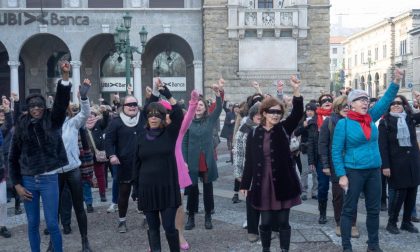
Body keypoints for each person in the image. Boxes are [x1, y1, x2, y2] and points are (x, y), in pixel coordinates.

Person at [332, 69, 402, 252]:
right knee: (349, 210)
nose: (365, 102)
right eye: (360, 99)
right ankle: (346, 247)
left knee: (373, 210)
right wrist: (341, 175)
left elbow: (386, 100)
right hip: (353, 171)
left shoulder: (370, 118)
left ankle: (373, 245)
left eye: (366, 99)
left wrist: (395, 81)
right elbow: (336, 151)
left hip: (373, 171)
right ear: (351, 104)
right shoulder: (343, 123)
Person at [9, 61, 72, 252]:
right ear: (28, 108)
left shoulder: (52, 120)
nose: (36, 109)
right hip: (27, 180)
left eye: (40, 105)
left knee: (52, 224)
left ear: (44, 107)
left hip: (49, 178)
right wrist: (17, 185)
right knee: (33, 223)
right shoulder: (21, 125)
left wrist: (65, 77)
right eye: (32, 106)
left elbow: (61, 103)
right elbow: (13, 158)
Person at [240, 75, 303, 252]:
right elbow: (250, 161)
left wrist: (296, 89)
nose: (276, 115)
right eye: (272, 112)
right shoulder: (253, 134)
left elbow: (297, 113)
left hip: (284, 181)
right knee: (266, 222)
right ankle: (266, 249)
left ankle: (284, 249)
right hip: (263, 183)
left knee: (283, 221)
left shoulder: (284, 128)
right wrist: (245, 184)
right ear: (264, 113)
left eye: (279, 112)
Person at [133, 84, 183, 252]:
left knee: (169, 227)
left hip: (167, 188)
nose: (153, 118)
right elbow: (136, 164)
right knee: (153, 228)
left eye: (157, 115)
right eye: (150, 115)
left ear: (162, 118)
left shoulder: (170, 133)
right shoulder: (141, 136)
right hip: (147, 189)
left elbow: (178, 114)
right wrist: (136, 188)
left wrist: (167, 94)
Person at [183, 82, 223, 230]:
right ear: (192, 106)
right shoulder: (187, 122)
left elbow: (219, 108)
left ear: (205, 108)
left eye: (201, 105)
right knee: (192, 190)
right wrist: (184, 161)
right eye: (196, 104)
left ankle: (208, 216)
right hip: (192, 161)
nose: (198, 106)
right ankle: (191, 217)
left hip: (206, 161)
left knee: (208, 189)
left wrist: (218, 94)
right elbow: (184, 142)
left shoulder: (209, 120)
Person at [318, 95, 359, 238]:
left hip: (353, 164)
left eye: (348, 106)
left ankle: (352, 224)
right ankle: (339, 223)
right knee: (338, 196)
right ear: (337, 107)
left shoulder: (355, 121)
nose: (346, 109)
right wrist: (325, 165)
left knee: (352, 194)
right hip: (336, 164)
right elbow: (322, 145)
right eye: (343, 106)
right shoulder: (329, 122)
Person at [379, 95, 420, 234]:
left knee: (412, 192)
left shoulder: (410, 119)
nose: (396, 105)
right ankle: (392, 222)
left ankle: (406, 222)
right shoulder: (385, 123)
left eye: (399, 103)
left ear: (404, 105)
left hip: (413, 162)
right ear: (389, 106)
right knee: (399, 194)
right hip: (396, 164)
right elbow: (382, 147)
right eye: (393, 103)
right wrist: (385, 166)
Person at [233, 102, 261, 243]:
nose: (259, 117)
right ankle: (252, 230)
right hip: (249, 170)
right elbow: (238, 151)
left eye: (262, 114)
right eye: (257, 114)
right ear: (252, 115)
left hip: (266, 171)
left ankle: (271, 227)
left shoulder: (270, 128)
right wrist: (238, 172)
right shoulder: (244, 129)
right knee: (251, 202)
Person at [307, 94, 333, 224]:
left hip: (337, 157)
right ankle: (322, 213)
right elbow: (311, 142)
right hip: (321, 158)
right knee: (323, 187)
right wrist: (311, 161)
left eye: (329, 100)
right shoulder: (314, 120)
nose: (327, 102)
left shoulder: (338, 117)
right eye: (324, 101)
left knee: (339, 187)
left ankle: (340, 213)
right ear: (320, 104)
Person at [294, 102, 318, 201]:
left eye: (311, 110)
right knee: (304, 171)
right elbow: (296, 132)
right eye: (307, 110)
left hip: (315, 149)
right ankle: (304, 191)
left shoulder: (318, 120)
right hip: (304, 148)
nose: (309, 112)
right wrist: (303, 126)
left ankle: (315, 191)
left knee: (315, 171)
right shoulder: (303, 120)